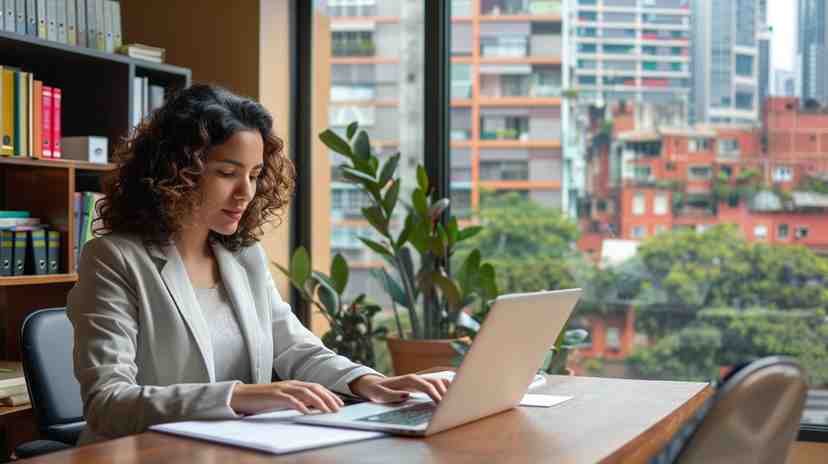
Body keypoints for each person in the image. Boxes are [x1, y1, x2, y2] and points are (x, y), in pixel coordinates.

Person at [67, 84, 449, 445]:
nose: (246, 193)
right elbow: (108, 403)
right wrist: (241, 396)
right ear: (176, 171)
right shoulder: (114, 259)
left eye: (253, 175)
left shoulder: (243, 257)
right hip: (149, 454)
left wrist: (366, 381)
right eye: (228, 173)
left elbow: (295, 348)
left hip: (237, 450)